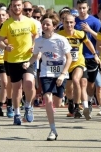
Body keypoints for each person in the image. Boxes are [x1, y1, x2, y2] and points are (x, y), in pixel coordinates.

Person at [26, 13, 72, 141]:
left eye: (48, 24)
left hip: (60, 74)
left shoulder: (61, 40)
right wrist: (28, 63)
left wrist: (63, 75)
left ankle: (53, 115)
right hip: (46, 72)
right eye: (43, 24)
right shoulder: (39, 41)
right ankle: (52, 129)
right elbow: (35, 56)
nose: (45, 26)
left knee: (56, 103)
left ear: (54, 26)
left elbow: (69, 58)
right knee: (47, 98)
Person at [0, 0, 38, 125]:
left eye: (19, 5)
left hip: (27, 58)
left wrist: (33, 46)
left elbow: (36, 35)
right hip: (13, 60)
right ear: (11, 7)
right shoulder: (7, 24)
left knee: (29, 83)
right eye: (14, 5)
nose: (17, 8)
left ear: (22, 6)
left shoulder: (30, 22)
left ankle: (28, 106)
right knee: (17, 88)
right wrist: (6, 47)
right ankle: (16, 113)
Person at [58, 14, 99, 120]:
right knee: (69, 89)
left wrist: (95, 55)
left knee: (77, 80)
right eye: (66, 22)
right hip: (66, 66)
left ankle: (77, 106)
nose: (69, 25)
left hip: (78, 63)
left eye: (71, 22)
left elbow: (89, 43)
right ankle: (71, 102)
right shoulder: (59, 35)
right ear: (63, 22)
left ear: (74, 23)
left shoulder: (80, 34)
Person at [74, 0, 101, 117]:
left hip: (91, 56)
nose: (82, 10)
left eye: (84, 8)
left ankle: (89, 101)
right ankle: (79, 105)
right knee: (81, 82)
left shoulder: (95, 21)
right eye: (79, 8)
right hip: (78, 57)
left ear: (88, 8)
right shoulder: (73, 21)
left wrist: (89, 30)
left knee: (90, 84)